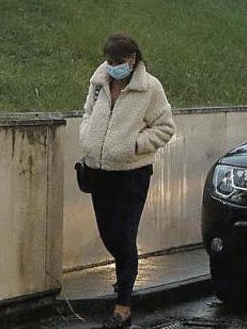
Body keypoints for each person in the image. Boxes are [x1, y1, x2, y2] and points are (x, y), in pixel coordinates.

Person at [78, 33, 177, 328]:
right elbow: (87, 113)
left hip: (132, 174)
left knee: (124, 236)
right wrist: (87, 137)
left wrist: (134, 145)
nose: (112, 67)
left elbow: (166, 127)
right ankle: (124, 280)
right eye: (109, 61)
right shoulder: (99, 82)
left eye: (117, 62)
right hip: (99, 171)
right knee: (108, 234)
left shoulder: (150, 88)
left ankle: (123, 305)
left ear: (132, 59)